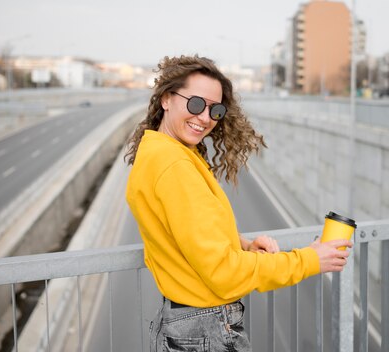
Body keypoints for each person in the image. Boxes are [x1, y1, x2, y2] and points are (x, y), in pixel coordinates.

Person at [124, 55, 352, 352]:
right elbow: (223, 273)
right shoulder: (175, 167)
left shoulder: (156, 152)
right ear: (167, 99)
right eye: (195, 103)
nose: (205, 118)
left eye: (215, 109)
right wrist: (310, 259)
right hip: (204, 330)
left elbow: (183, 235)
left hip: (185, 324)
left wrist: (240, 245)